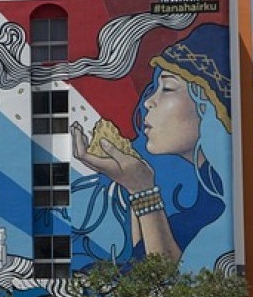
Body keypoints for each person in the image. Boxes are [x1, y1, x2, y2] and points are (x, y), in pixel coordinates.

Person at [70, 23, 234, 273]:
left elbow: (162, 281)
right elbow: (143, 268)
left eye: (167, 88)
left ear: (208, 105)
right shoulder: (205, 200)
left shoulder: (219, 210)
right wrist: (135, 185)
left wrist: (141, 188)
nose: (148, 102)